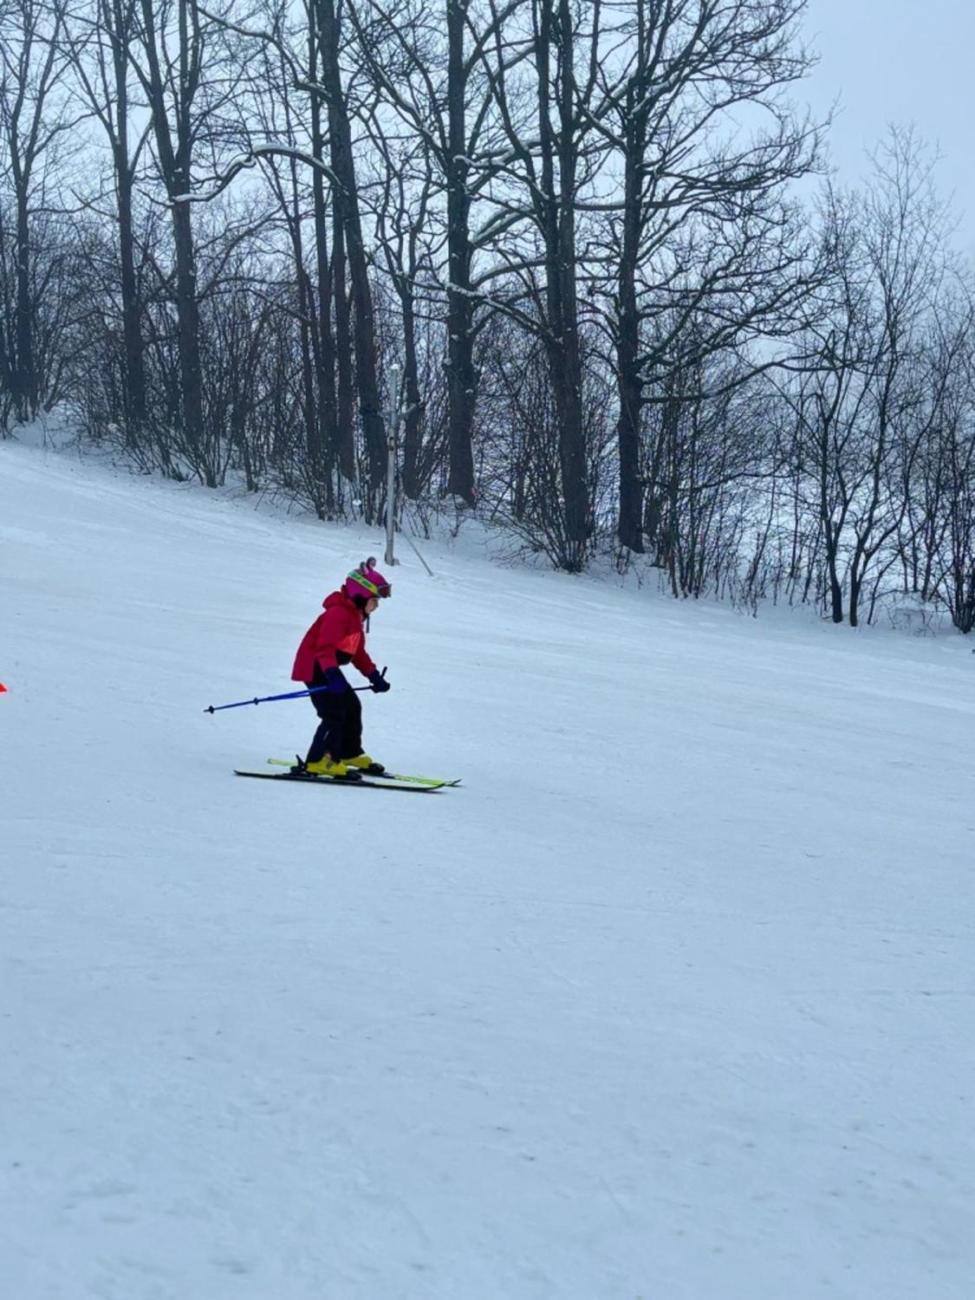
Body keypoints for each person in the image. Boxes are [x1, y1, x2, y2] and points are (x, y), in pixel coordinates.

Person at [291, 558, 392, 779]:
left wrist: (374, 676)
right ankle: (319, 761)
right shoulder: (339, 614)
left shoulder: (355, 618)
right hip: (316, 666)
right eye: (375, 600)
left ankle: (348, 752)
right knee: (333, 713)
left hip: (328, 668)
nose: (377, 606)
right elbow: (323, 648)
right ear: (361, 595)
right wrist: (332, 674)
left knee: (352, 706)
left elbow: (357, 653)